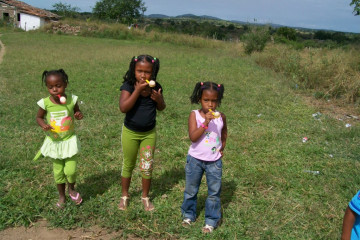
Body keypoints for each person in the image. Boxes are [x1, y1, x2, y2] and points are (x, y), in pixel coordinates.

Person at [118, 55, 166, 211]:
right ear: (134, 70)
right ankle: (124, 196)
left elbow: (161, 108)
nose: (143, 75)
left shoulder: (155, 86)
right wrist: (137, 91)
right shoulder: (129, 86)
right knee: (128, 164)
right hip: (130, 133)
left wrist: (159, 99)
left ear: (153, 72)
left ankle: (145, 197)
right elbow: (124, 108)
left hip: (148, 134)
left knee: (147, 166)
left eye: (147, 72)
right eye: (139, 71)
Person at [181, 81, 227, 233]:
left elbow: (224, 133)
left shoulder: (221, 117)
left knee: (214, 193)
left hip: (214, 162)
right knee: (191, 190)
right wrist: (205, 123)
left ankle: (211, 221)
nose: (210, 104)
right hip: (195, 160)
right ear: (199, 99)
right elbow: (193, 137)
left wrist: (222, 148)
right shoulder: (194, 115)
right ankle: (188, 215)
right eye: (206, 100)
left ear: (218, 101)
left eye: (214, 101)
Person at [35, 69, 83, 208]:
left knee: (70, 170)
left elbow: (77, 112)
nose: (55, 89)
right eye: (51, 87)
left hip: (69, 141)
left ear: (65, 84)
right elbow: (39, 117)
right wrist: (43, 124)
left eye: (58, 86)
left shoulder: (72, 100)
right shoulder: (45, 103)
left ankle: (72, 189)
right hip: (55, 143)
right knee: (58, 171)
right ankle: (62, 196)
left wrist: (78, 114)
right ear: (47, 87)